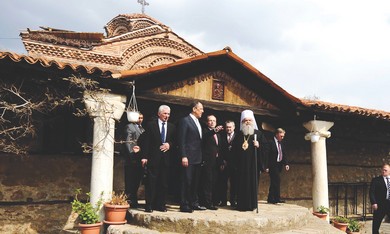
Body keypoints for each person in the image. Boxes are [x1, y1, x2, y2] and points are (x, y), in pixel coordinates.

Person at [141, 105, 176, 213]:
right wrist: (144, 157)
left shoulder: (172, 127)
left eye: (168, 114)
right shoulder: (151, 125)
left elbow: (175, 141)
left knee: (163, 183)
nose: (167, 116)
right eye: (165, 113)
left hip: (166, 159)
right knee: (151, 182)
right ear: (159, 114)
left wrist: (169, 145)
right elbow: (146, 142)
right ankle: (149, 205)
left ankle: (161, 205)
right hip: (153, 158)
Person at [233, 110, 268, 211]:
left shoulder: (259, 134)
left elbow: (266, 148)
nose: (247, 122)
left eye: (249, 120)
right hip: (242, 166)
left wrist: (259, 145)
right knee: (241, 185)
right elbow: (234, 150)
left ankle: (252, 205)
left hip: (253, 165)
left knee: (252, 184)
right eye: (245, 120)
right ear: (242, 122)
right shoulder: (239, 135)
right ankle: (242, 205)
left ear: (253, 121)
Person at [178, 101, 206, 213]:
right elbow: (182, 140)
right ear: (194, 109)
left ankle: (193, 203)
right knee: (186, 181)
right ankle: (184, 204)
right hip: (188, 157)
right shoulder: (185, 121)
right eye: (201, 109)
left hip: (197, 157)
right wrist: (183, 155)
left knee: (195, 182)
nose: (202, 111)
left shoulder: (198, 122)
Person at [199, 114, 223, 210]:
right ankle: (207, 203)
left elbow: (219, 148)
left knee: (214, 182)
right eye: (210, 120)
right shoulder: (205, 132)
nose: (212, 122)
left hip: (216, 162)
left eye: (214, 120)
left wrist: (221, 161)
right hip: (207, 161)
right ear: (207, 122)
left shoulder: (218, 135)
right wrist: (214, 130)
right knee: (207, 182)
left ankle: (212, 201)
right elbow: (205, 137)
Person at [123, 113, 145, 208]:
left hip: (139, 159)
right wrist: (132, 157)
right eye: (139, 117)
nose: (140, 119)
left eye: (141, 118)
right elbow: (128, 142)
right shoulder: (130, 127)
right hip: (132, 159)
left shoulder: (142, 129)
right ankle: (130, 200)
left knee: (137, 181)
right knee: (130, 181)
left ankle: (134, 199)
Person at [217, 120, 238, 207]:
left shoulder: (238, 137)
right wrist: (222, 162)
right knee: (223, 183)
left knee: (234, 183)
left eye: (230, 127)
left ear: (234, 127)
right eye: (227, 127)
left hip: (235, 164)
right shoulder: (221, 136)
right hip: (224, 164)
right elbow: (220, 150)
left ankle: (233, 201)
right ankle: (223, 200)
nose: (228, 129)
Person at [266, 128, 289, 204]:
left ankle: (271, 198)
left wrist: (286, 164)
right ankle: (277, 198)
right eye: (281, 136)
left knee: (274, 181)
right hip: (272, 165)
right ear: (276, 134)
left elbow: (284, 153)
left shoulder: (281, 143)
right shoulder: (270, 142)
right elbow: (267, 155)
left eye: (283, 136)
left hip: (279, 165)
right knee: (277, 180)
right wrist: (266, 166)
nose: (282, 138)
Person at [369, 164, 390, 234]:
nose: (383, 171)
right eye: (383, 170)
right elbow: (371, 192)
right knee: (376, 225)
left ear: (389, 171)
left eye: (385, 170)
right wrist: (374, 202)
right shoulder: (376, 180)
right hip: (380, 205)